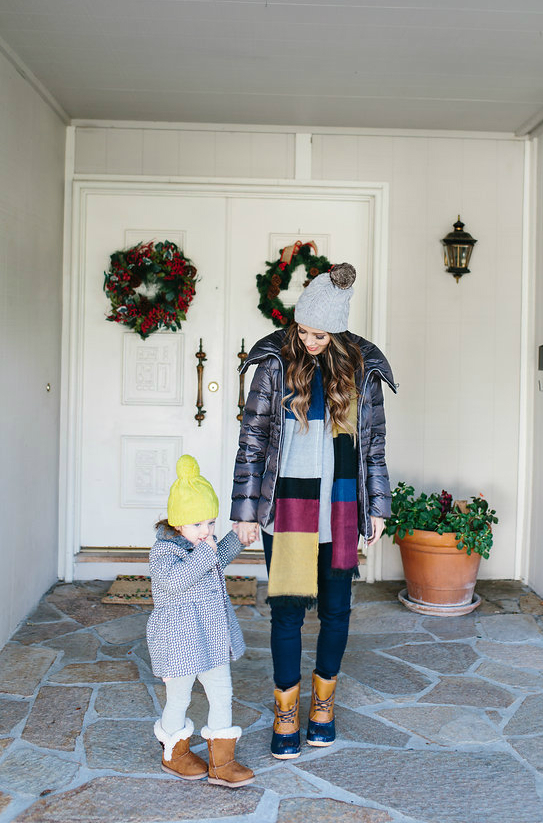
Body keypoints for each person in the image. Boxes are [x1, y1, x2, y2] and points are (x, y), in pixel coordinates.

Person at [231, 263, 396, 759]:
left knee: (337, 610)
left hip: (341, 508)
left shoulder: (362, 370)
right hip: (285, 511)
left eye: (319, 333)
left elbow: (374, 446)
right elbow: (253, 438)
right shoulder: (275, 363)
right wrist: (243, 510)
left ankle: (322, 705)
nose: (308, 340)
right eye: (302, 330)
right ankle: (286, 713)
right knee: (287, 612)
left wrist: (378, 506)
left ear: (338, 330)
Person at [146, 454, 256, 786]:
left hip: (209, 638)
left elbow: (215, 559)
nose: (206, 532)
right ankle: (173, 751)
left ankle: (223, 763)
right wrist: (206, 553)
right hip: (178, 641)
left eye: (211, 523)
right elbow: (178, 580)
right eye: (198, 525)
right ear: (177, 523)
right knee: (179, 697)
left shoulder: (204, 547)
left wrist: (237, 536)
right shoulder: (163, 553)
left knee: (222, 693)